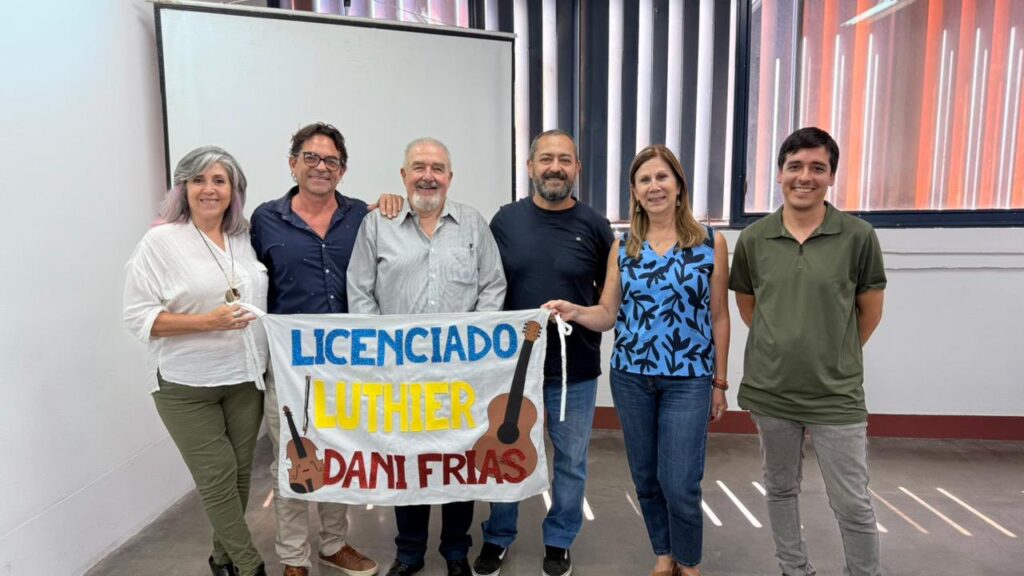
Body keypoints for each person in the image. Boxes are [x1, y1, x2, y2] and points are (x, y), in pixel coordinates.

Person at [546, 145, 730, 576]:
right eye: (645, 180)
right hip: (631, 377)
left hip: (689, 379)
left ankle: (689, 561)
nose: (654, 187)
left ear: (679, 186)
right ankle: (663, 554)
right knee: (646, 479)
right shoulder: (622, 247)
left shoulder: (709, 243)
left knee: (680, 482)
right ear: (634, 191)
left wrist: (720, 383)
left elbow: (719, 316)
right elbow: (608, 314)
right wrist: (575, 311)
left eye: (662, 177)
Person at [729, 127, 886, 576]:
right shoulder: (756, 239)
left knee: (852, 501)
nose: (805, 177)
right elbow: (749, 307)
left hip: (836, 396)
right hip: (771, 392)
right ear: (780, 174)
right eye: (795, 166)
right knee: (780, 489)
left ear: (831, 176)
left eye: (817, 168)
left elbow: (868, 312)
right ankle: (794, 568)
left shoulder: (857, 236)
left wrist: (831, 355)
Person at [347, 137, 507, 576]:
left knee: (458, 462)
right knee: (408, 462)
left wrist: (473, 341)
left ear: (450, 177)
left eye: (437, 167)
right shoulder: (377, 224)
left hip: (461, 373)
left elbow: (493, 286)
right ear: (403, 175)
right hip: (401, 374)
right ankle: (410, 553)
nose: (428, 175)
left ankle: (456, 552)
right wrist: (382, 349)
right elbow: (360, 291)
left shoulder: (473, 224)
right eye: (418, 166)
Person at [250, 122, 402, 576]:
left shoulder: (362, 215)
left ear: (343, 169)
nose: (321, 167)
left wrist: (392, 201)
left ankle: (334, 544)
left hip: (347, 362)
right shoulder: (264, 219)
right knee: (293, 458)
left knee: (339, 453)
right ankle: (293, 557)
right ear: (293, 162)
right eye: (311, 158)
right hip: (289, 362)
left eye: (331, 160)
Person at [472, 130, 613, 576]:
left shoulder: (596, 226)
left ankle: (560, 538)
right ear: (530, 167)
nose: (555, 167)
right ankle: (498, 536)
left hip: (576, 371)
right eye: (546, 159)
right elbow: (484, 285)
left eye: (565, 160)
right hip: (512, 369)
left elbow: (609, 303)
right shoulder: (504, 222)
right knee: (504, 452)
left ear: (577, 169)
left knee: (569, 460)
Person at [123, 146, 269, 576]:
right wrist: (208, 322)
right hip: (186, 385)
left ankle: (220, 559)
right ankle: (248, 565)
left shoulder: (242, 237)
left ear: (234, 190)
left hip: (244, 377)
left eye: (219, 180)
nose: (209, 189)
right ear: (183, 187)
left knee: (241, 476)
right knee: (217, 478)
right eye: (198, 180)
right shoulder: (161, 241)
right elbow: (137, 317)